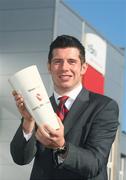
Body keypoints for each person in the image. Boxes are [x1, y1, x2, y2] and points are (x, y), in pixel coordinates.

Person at [10, 35, 119, 180]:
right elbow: (20, 158)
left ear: (83, 68)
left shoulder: (104, 107)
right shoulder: (37, 106)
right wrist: (28, 121)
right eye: (57, 61)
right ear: (49, 67)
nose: (64, 68)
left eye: (72, 61)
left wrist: (61, 146)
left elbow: (95, 164)